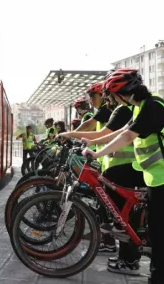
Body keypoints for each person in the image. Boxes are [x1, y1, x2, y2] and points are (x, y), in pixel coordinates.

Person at [81, 69, 164, 284]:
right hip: (155, 172)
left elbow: (127, 136)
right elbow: (122, 130)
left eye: (113, 95)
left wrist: (97, 153)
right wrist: (91, 141)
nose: (112, 100)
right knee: (119, 183)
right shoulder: (140, 107)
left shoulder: (152, 107)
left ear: (123, 93)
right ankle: (132, 240)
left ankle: (158, 279)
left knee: (158, 228)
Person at [60, 79, 144, 273]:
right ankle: (125, 255)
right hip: (118, 167)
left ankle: (128, 258)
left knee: (122, 215)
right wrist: (86, 143)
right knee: (118, 213)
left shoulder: (122, 111)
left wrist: (72, 136)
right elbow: (110, 135)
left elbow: (111, 134)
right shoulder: (128, 111)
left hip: (126, 168)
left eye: (107, 95)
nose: (105, 99)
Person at [58, 81, 122, 256]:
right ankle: (108, 240)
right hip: (108, 161)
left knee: (108, 204)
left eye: (93, 96)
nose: (91, 100)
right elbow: (95, 132)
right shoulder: (109, 110)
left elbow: (91, 128)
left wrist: (70, 135)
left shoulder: (107, 110)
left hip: (120, 164)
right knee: (104, 202)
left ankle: (114, 243)